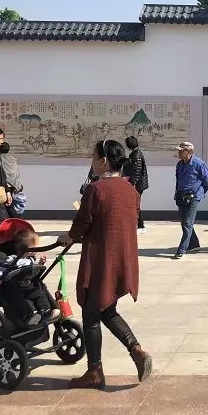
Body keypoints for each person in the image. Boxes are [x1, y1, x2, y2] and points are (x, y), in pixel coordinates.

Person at [58, 139, 152, 390]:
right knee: (107, 310)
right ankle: (136, 351)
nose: (91, 162)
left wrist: (68, 237)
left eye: (93, 157)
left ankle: (95, 371)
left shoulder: (96, 189)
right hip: (122, 260)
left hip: (101, 261)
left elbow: (82, 224)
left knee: (91, 314)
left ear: (103, 161)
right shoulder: (130, 190)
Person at [0, 229, 59, 326]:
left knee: (40, 294)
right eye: (35, 247)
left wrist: (40, 263)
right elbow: (2, 269)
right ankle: (30, 316)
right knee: (22, 302)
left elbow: (33, 271)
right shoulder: (13, 260)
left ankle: (46, 311)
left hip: (29, 284)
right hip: (17, 287)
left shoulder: (30, 259)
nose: (38, 249)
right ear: (26, 249)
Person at [174, 141, 208, 259]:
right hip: (181, 196)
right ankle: (194, 244)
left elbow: (207, 179)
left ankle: (181, 250)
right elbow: (178, 180)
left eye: (181, 151)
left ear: (188, 152)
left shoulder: (198, 164)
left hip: (193, 197)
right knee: (185, 223)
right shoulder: (179, 165)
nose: (179, 153)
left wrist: (200, 192)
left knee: (187, 224)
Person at [123, 136, 149, 234]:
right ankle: (138, 225)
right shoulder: (135, 153)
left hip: (138, 185)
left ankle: (141, 226)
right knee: (135, 205)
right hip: (136, 184)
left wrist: (132, 184)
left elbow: (137, 172)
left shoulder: (137, 155)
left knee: (135, 205)